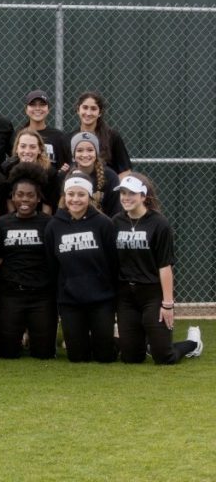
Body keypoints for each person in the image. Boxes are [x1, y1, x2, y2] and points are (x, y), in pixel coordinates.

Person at [113, 173, 202, 363]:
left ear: (143, 197)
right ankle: (145, 342)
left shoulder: (159, 224)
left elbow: (165, 266)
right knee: (131, 358)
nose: (126, 198)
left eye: (132, 193)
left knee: (164, 357)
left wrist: (167, 304)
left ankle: (193, 342)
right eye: (123, 193)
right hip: (126, 295)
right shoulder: (116, 222)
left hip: (152, 294)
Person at [44, 172, 118, 363]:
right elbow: (52, 266)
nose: (75, 199)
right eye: (71, 194)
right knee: (77, 357)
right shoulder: (53, 226)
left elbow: (113, 262)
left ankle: (118, 342)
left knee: (104, 357)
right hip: (70, 301)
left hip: (101, 299)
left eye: (81, 194)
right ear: (64, 196)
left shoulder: (104, 224)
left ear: (90, 196)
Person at [0, 163, 56, 359]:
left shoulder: (49, 224)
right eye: (20, 194)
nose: (25, 199)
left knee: (43, 354)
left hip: (42, 295)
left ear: (38, 198)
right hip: (11, 295)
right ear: (13, 197)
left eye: (30, 195)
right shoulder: (2, 224)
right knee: (7, 353)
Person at [73, 92, 132, 177]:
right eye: (85, 108)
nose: (88, 113)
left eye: (93, 109)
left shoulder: (112, 137)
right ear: (78, 110)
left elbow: (125, 171)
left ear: (100, 112)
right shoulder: (70, 138)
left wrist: (115, 188)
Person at [2, 129, 61, 213]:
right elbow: (8, 199)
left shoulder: (49, 172)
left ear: (39, 150)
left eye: (32, 147)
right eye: (23, 146)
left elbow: (48, 205)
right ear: (16, 149)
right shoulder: (7, 168)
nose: (27, 151)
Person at [67, 131, 121, 217]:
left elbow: (115, 212)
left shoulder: (110, 176)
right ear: (73, 154)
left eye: (90, 150)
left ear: (96, 153)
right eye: (80, 150)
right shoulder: (66, 175)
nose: (85, 155)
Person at [17, 90, 70, 171]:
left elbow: (63, 166)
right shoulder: (19, 135)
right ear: (26, 110)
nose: (37, 108)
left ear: (48, 109)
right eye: (33, 105)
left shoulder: (58, 137)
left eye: (42, 105)